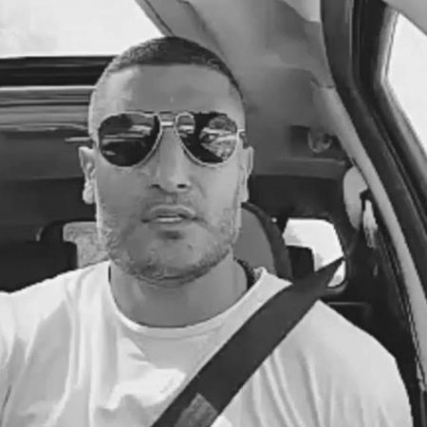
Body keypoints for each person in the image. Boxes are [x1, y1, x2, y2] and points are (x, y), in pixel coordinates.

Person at [0, 36, 412, 426]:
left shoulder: (348, 376)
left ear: (243, 173)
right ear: (90, 174)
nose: (170, 177)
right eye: (127, 140)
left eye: (210, 139)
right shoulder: (15, 341)